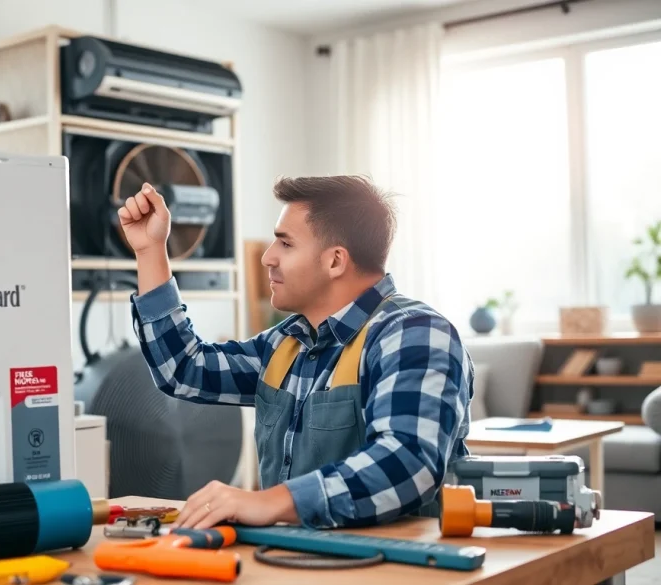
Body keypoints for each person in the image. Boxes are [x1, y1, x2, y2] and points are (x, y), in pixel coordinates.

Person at [118, 175, 473, 531]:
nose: (267, 257)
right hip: (297, 560)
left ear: (335, 261)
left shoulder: (415, 334)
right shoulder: (288, 343)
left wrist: (266, 502)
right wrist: (150, 252)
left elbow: (408, 464)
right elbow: (183, 369)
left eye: (285, 244)